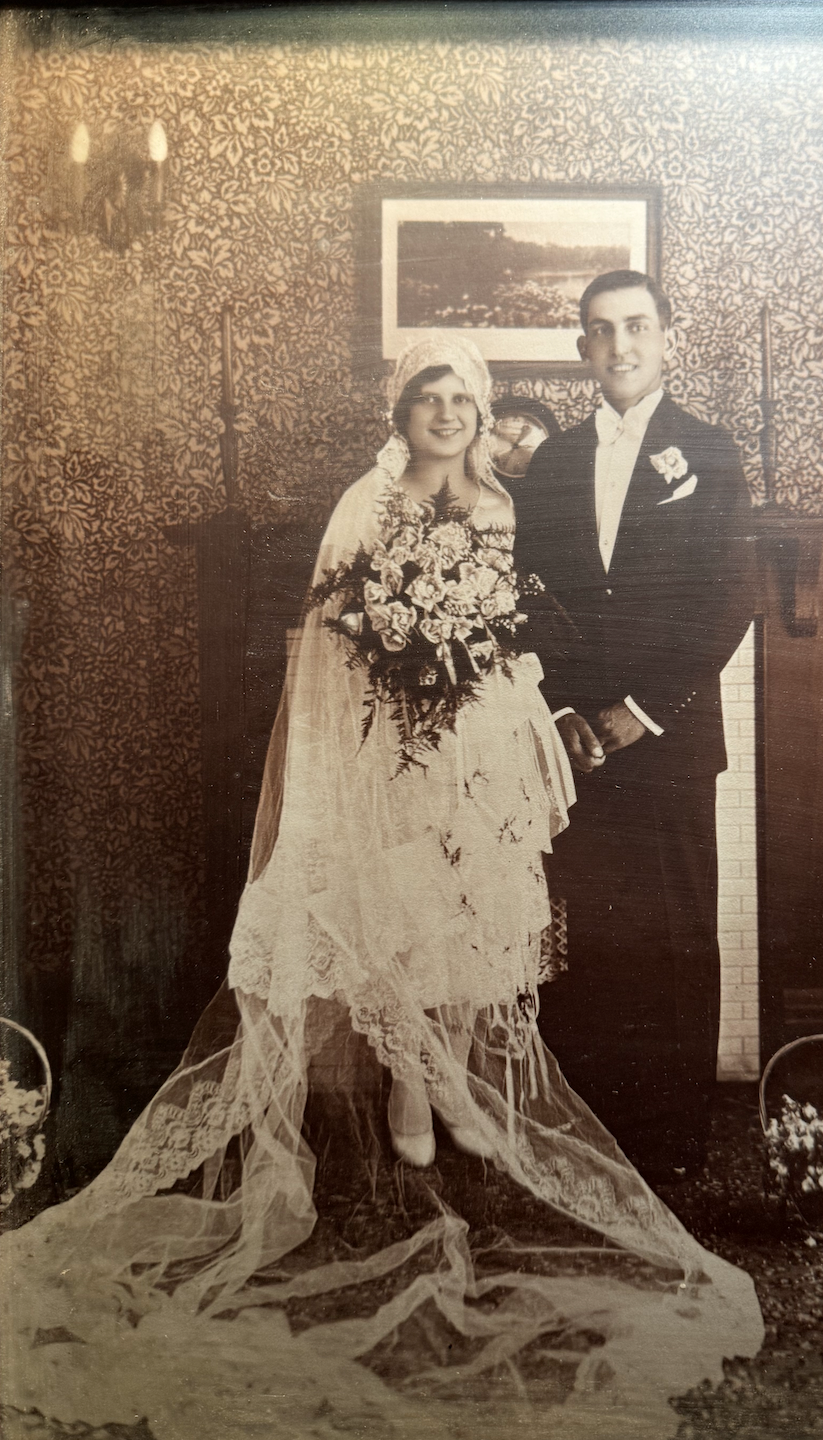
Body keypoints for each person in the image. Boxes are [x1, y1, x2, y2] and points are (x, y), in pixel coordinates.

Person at [0, 334, 762, 1440]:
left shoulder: (509, 507)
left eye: (463, 398)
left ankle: (449, 1089)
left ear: (483, 411)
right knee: (401, 917)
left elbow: (529, 633)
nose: (446, 413)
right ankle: (409, 1102)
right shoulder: (366, 500)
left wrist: (499, 706)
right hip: (382, 753)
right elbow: (327, 651)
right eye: (428, 397)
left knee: (476, 917)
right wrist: (388, 704)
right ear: (401, 410)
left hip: (479, 750)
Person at [514, 271, 757, 1184]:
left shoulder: (711, 449)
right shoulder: (554, 463)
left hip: (670, 735)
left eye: (637, 327)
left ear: (665, 338)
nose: (620, 345)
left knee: (679, 937)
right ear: (583, 350)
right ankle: (591, 1140)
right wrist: (568, 713)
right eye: (601, 331)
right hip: (575, 741)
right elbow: (528, 594)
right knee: (587, 938)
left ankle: (673, 1151)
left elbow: (725, 599)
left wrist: (638, 712)